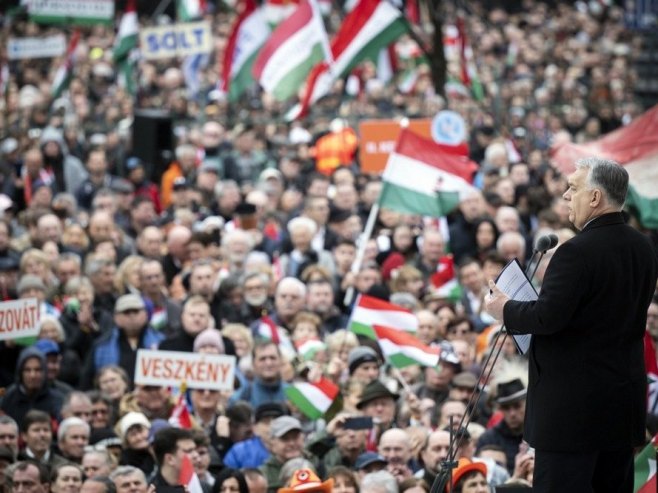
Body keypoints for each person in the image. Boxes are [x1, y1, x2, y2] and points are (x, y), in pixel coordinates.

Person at [486, 157, 658, 493]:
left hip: (571, 418)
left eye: (573, 188)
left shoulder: (575, 252)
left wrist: (504, 308)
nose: (566, 195)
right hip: (621, 411)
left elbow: (546, 317)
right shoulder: (644, 247)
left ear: (595, 198)